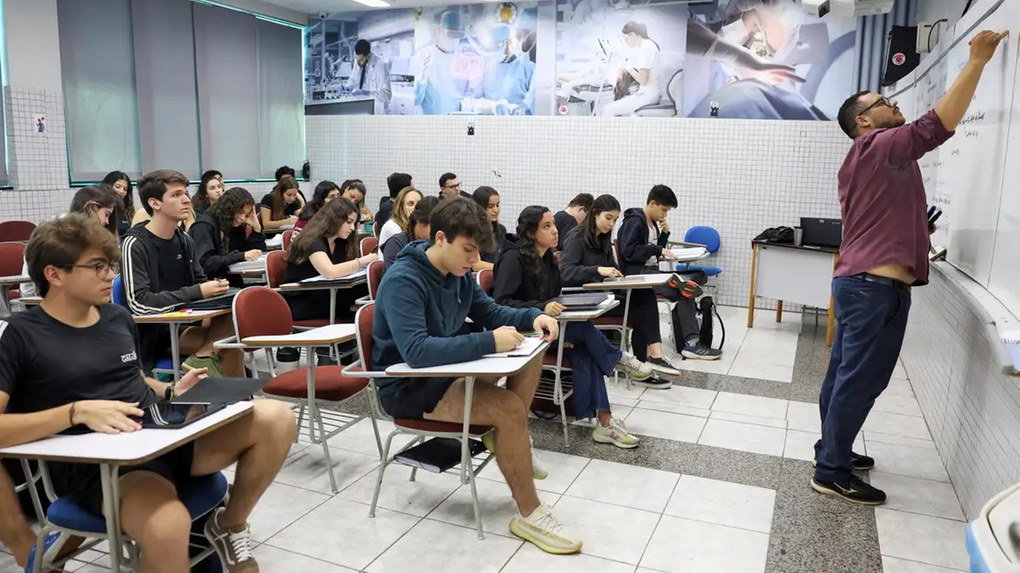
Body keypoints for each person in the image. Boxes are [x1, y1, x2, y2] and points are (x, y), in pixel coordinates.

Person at [0, 214, 296, 573]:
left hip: (160, 435)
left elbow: (131, 376)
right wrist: (74, 413)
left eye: (110, 265)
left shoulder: (116, 318)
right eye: (98, 267)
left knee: (276, 418)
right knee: (167, 524)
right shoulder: (20, 335)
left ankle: (229, 524)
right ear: (54, 274)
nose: (111, 275)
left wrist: (170, 389)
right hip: (108, 466)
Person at [811, 30, 1008, 506]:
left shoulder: (874, 159)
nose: (894, 104)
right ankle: (831, 470)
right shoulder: (877, 146)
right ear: (864, 121)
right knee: (860, 380)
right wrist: (978, 61)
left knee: (845, 377)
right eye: (884, 101)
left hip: (865, 283)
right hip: (872, 288)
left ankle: (831, 449)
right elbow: (935, 126)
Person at [372, 197, 582, 554]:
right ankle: (529, 513)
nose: (474, 260)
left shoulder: (458, 274)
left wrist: (532, 317)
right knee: (509, 411)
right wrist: (488, 341)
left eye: (477, 251)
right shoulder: (403, 280)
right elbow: (417, 352)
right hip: (410, 385)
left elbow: (490, 310)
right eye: (468, 250)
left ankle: (513, 439)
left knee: (531, 352)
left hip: (448, 371)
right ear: (440, 238)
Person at [493, 206, 652, 447]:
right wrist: (541, 307)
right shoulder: (513, 259)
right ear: (530, 232)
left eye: (553, 225)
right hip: (522, 332)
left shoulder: (548, 258)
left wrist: (549, 309)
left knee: (587, 350)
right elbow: (501, 304)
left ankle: (605, 423)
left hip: (550, 330)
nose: (555, 231)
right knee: (585, 332)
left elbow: (555, 298)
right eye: (546, 226)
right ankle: (618, 359)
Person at [122, 169, 244, 379]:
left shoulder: (184, 239)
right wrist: (197, 292)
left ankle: (208, 370)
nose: (187, 200)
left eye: (186, 193)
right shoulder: (135, 244)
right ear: (154, 203)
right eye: (176, 195)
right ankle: (234, 405)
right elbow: (139, 303)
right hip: (157, 333)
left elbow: (198, 282)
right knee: (228, 345)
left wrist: (215, 290)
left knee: (235, 310)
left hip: (190, 322)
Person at [560, 194, 678, 382]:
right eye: (608, 218)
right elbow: (565, 272)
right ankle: (650, 360)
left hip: (602, 296)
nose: (611, 224)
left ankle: (646, 363)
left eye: (615, 220)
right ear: (595, 214)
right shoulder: (577, 238)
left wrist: (619, 278)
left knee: (643, 297)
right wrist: (598, 270)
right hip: (583, 299)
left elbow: (611, 269)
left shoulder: (603, 239)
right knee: (641, 305)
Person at [617, 185, 721, 360]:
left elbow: (655, 249)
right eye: (663, 210)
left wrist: (664, 234)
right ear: (652, 203)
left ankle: (690, 340)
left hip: (651, 271)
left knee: (695, 280)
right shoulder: (635, 221)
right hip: (640, 274)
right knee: (685, 288)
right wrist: (657, 249)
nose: (664, 215)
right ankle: (691, 342)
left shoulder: (652, 224)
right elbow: (629, 251)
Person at [20, 185, 121, 299]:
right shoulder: (55, 236)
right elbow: (28, 288)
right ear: (91, 208)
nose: (107, 222)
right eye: (106, 214)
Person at [284, 197, 375, 322]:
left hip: (326, 294)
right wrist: (363, 261)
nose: (353, 228)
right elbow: (330, 271)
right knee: (362, 294)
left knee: (368, 287)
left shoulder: (339, 242)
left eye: (354, 223)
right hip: (304, 299)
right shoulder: (312, 240)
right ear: (335, 219)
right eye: (349, 222)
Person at [189, 187, 266, 285]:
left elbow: (255, 253)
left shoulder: (232, 225)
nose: (242, 218)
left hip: (230, 282)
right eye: (240, 212)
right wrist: (240, 256)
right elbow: (205, 264)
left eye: (246, 215)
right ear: (229, 208)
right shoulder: (204, 226)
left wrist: (256, 228)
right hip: (209, 285)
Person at [414, 11, 478, 115]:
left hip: (453, 125)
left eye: (458, 35)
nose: (454, 39)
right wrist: (421, 80)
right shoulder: (425, 58)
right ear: (440, 31)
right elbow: (416, 100)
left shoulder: (462, 62)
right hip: (430, 125)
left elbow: (467, 99)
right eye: (451, 34)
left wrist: (472, 85)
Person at [462, 24, 535, 116]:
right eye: (490, 47)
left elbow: (530, 108)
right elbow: (469, 102)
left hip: (517, 126)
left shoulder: (526, 66)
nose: (493, 51)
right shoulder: (487, 67)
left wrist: (508, 110)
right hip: (489, 126)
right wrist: (489, 107)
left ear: (509, 43)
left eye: (497, 46)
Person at [600, 22, 661, 117]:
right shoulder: (648, 45)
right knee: (629, 114)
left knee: (607, 109)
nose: (626, 42)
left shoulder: (646, 47)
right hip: (649, 93)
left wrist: (628, 67)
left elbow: (643, 80)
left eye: (625, 39)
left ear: (632, 34)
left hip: (647, 95)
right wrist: (625, 69)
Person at [383, 196, 440, 269]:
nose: (437, 235)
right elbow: (396, 278)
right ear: (420, 222)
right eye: (434, 228)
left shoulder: (438, 242)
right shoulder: (396, 243)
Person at [345, 39, 392, 116]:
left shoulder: (380, 65)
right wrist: (347, 88)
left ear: (368, 55)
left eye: (361, 60)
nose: (358, 63)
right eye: (357, 59)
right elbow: (353, 79)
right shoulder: (358, 62)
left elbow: (387, 95)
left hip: (377, 111)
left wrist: (368, 93)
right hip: (361, 109)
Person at [471, 186, 508, 268]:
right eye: (490, 206)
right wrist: (502, 269)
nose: (496, 210)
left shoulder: (501, 230)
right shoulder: (472, 231)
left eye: (497, 205)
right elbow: (475, 264)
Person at [102, 171, 135, 236]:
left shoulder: (128, 212)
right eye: (118, 187)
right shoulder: (99, 208)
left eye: (125, 189)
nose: (121, 191)